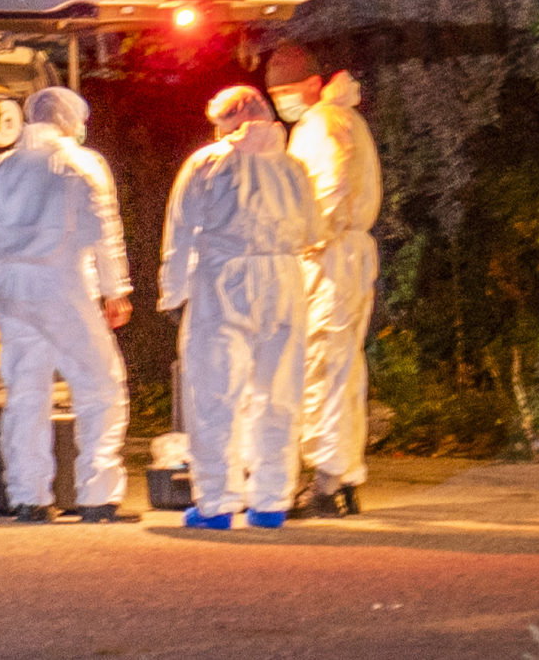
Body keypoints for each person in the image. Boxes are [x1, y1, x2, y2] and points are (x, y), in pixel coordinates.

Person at [158, 85, 323, 529]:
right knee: (279, 394)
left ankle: (216, 503)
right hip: (284, 281)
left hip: (222, 280)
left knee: (215, 394)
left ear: (228, 121)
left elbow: (180, 232)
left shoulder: (207, 163)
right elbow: (314, 231)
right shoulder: (293, 167)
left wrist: (173, 293)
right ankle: (271, 501)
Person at [0, 85, 134, 524]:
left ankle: (29, 497)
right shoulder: (83, 164)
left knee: (26, 393)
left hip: (12, 287)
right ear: (68, 120)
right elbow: (103, 230)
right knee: (100, 386)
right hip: (63, 283)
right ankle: (98, 496)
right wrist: (115, 289)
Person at [266, 43, 384, 518]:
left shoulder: (324, 123)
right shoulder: (339, 119)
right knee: (342, 366)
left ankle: (325, 485)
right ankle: (344, 478)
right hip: (341, 254)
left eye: (288, 91)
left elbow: (332, 187)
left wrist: (309, 238)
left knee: (324, 365)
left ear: (314, 84)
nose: (282, 101)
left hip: (329, 257)